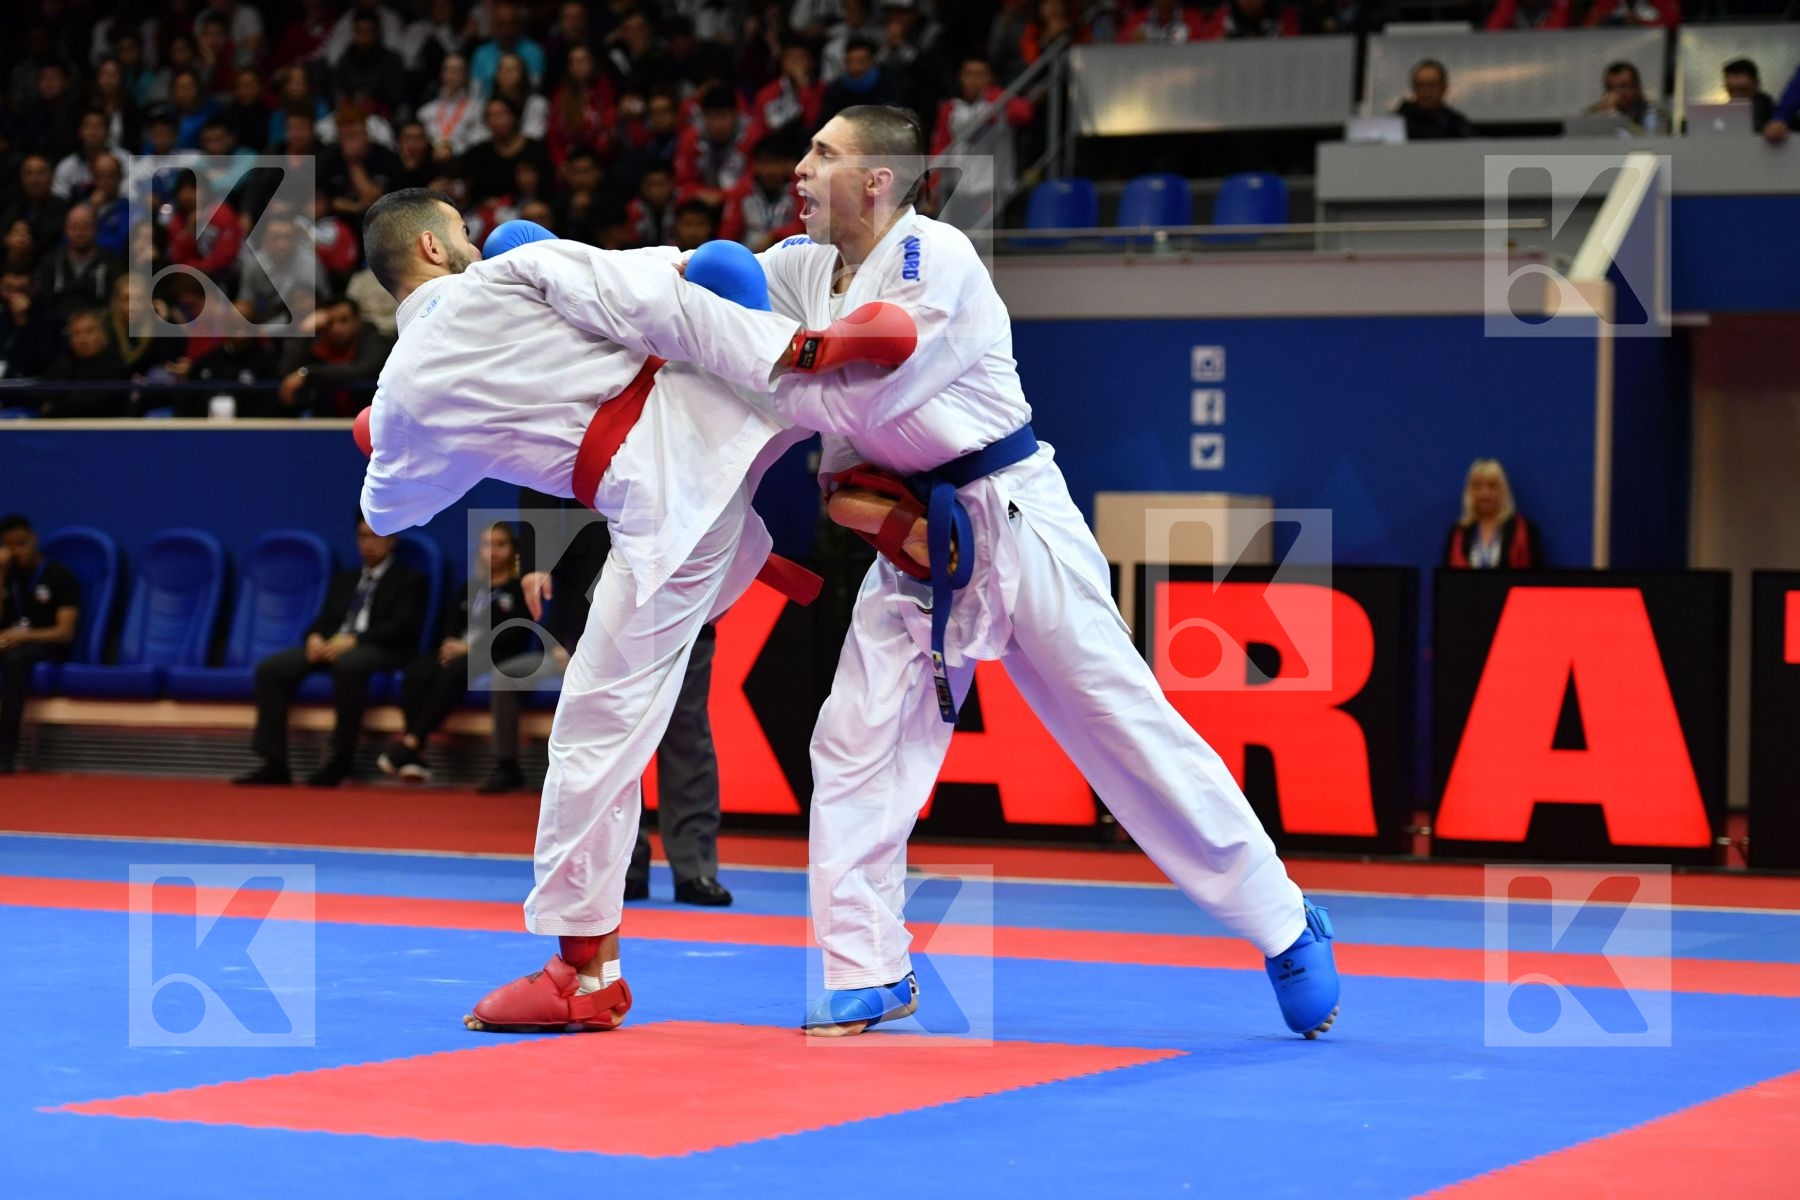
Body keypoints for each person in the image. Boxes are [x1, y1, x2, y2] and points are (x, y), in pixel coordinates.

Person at [748, 105, 1340, 1039]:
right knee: (853, 738)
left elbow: (863, 374)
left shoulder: (932, 258)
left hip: (1009, 516)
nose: (800, 168)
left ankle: (1282, 919)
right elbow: (707, 295)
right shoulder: (797, 269)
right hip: (910, 554)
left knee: (1123, 731)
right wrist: (573, 280)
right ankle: (867, 967)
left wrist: (761, 369)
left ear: (878, 181)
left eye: (824, 154)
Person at [353, 198, 915, 1032]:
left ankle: (582, 975)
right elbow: (657, 292)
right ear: (435, 246)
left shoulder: (404, 391)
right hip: (723, 395)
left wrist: (378, 434)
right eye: (465, 231)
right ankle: (867, 455)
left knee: (595, 725)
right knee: (732, 274)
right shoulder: (515, 271)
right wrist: (789, 347)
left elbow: (392, 509)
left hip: (663, 493)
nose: (481, 241)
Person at [513, 494, 734, 905]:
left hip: (684, 572)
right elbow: (540, 468)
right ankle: (619, 866)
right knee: (607, 735)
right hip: (593, 574)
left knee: (686, 731)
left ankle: (696, 869)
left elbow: (731, 481)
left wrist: (731, 572)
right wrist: (536, 557)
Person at [236, 512, 429, 788]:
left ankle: (341, 758)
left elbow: (403, 627)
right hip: (335, 647)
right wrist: (314, 637)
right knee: (271, 669)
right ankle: (274, 761)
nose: (368, 544)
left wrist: (356, 640)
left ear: (392, 538)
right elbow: (324, 620)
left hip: (383, 650)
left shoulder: (411, 579)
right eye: (362, 536)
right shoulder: (345, 579)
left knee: (349, 665)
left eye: (375, 536)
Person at [380, 521, 535, 786]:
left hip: (499, 654)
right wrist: (449, 645)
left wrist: (471, 649)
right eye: (488, 544)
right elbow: (451, 623)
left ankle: (411, 742)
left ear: (513, 550)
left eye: (501, 544)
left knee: (458, 669)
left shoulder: (518, 589)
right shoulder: (469, 588)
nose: (494, 551)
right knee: (418, 672)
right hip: (460, 652)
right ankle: (415, 753)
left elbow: (515, 632)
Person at [0, 514, 81, 774]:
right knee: (13, 653)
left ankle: (5, 751)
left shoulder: (60, 576)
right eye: (10, 546)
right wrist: (0, 575)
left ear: (34, 539)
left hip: (48, 647)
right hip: (12, 642)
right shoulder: (7, 576)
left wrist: (21, 636)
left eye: (22, 543)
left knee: (16, 658)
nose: (17, 551)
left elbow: (64, 633)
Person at [274, 297, 394, 416]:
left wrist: (308, 373)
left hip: (371, 421)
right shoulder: (320, 343)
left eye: (344, 320)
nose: (336, 328)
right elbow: (286, 373)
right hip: (327, 424)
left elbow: (361, 370)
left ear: (358, 321)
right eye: (330, 323)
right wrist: (306, 331)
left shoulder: (375, 340)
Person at [1442, 458, 1544, 569]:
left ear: (1503, 491)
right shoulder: (1458, 532)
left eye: (1492, 486)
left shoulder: (1525, 530)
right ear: (1470, 492)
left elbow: (1538, 579)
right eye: (1478, 487)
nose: (1485, 494)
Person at [38, 309, 130, 418]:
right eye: (76, 333)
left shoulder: (115, 365)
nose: (83, 339)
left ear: (104, 335)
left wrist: (56, 409)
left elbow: (97, 405)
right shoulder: (63, 363)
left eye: (90, 331)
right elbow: (42, 394)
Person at [1394, 59, 1474, 141]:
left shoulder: (1457, 124)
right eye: (1420, 85)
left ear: (1444, 88)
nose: (1425, 91)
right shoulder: (1397, 123)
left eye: (1431, 85)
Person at [1584, 61, 1667, 137]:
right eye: (1611, 88)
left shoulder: (1653, 111)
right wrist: (1603, 118)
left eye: (1624, 86)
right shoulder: (1595, 112)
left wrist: (1616, 118)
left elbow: (1654, 139)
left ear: (1637, 87)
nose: (1618, 93)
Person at [1722, 60, 1775, 133]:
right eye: (1731, 90)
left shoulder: (1775, 114)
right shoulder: (1724, 113)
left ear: (1756, 85)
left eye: (1743, 90)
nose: (1737, 95)